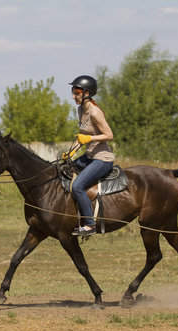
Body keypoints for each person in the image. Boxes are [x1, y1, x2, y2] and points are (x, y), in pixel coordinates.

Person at [64, 75, 115, 236]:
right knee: (63, 169)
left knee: (78, 186)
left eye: (77, 92)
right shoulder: (81, 110)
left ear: (87, 93)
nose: (73, 96)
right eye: (73, 92)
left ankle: (90, 225)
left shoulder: (95, 112)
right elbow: (82, 135)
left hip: (102, 159)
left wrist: (90, 138)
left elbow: (109, 135)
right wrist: (71, 151)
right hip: (89, 156)